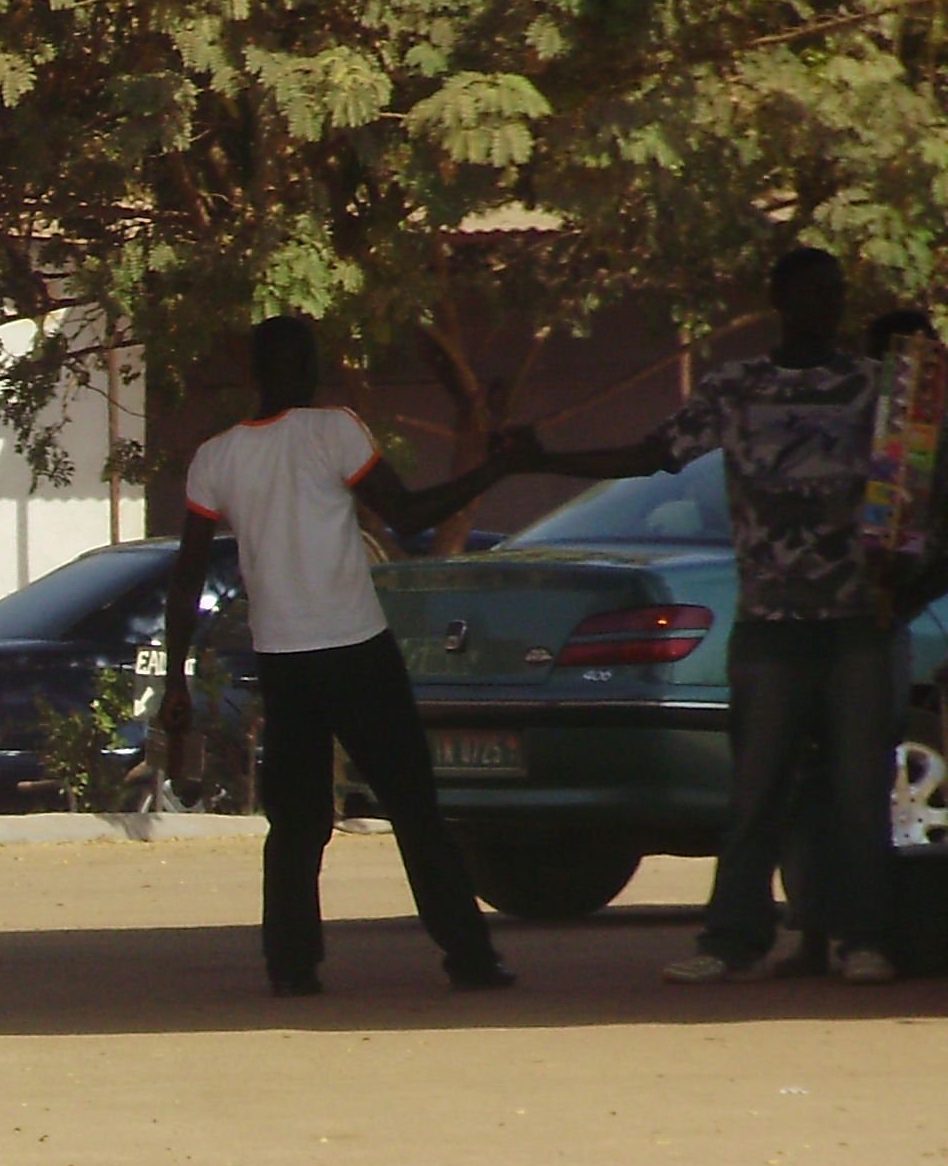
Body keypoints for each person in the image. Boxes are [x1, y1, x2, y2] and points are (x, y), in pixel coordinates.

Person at [527, 250, 913, 986]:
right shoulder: (738, 388)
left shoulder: (872, 389)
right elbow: (655, 454)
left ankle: (864, 936)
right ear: (779, 300)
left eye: (834, 294)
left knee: (861, 792)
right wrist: (542, 461)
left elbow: (915, 483)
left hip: (855, 618)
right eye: (809, 293)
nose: (824, 306)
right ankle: (733, 937)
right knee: (757, 790)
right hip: (771, 621)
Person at [161, 315, 527, 996]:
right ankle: (469, 958)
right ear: (309, 369)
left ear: (253, 375)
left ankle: (292, 968)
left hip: (284, 661)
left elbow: (185, 578)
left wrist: (176, 676)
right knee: (415, 808)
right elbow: (410, 515)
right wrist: (500, 465)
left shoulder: (216, 458)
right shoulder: (335, 430)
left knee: (296, 826)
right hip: (357, 648)